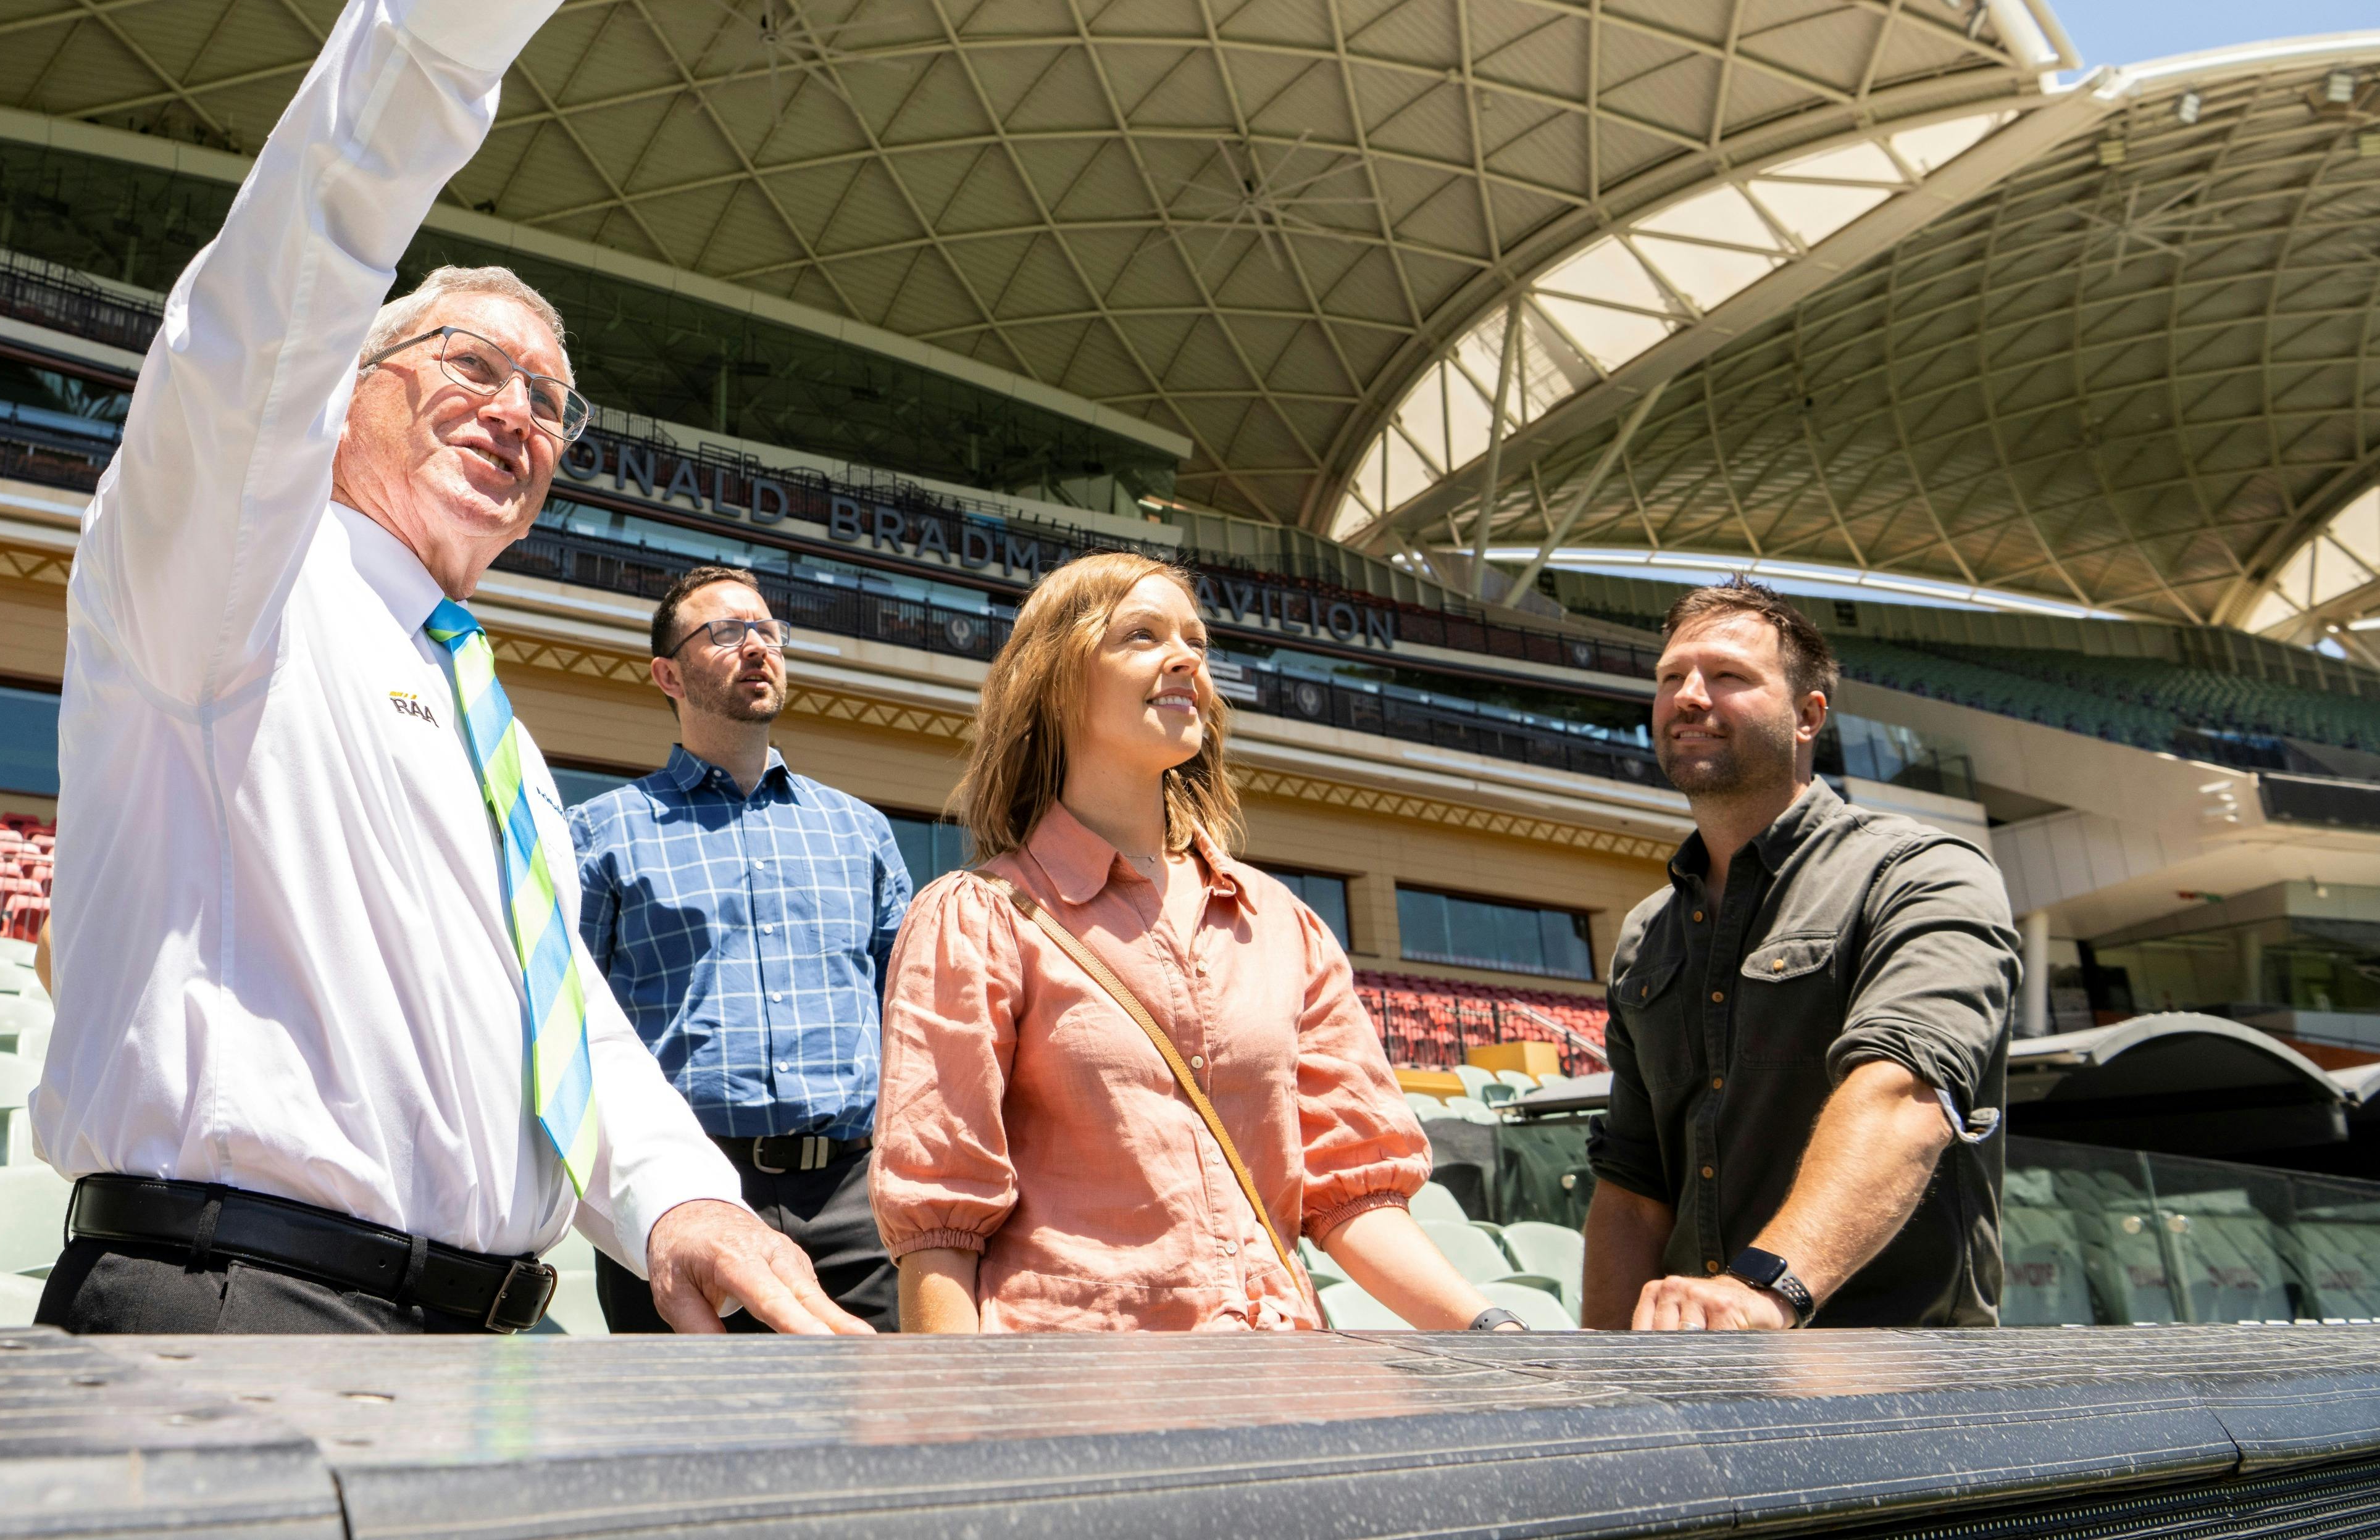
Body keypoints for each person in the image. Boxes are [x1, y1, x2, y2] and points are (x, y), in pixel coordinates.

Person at [30, 0, 866, 1339]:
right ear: (344, 395)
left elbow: (545, 1001)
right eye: (469, 368)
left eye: (552, 399)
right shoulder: (225, 581)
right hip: (232, 1307)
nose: (518, 413)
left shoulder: (474, 711)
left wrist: (680, 1195)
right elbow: (266, 295)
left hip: (495, 1337)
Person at [871, 551, 1512, 1334]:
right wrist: (958, 1430)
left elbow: (1352, 1192)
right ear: (1055, 677)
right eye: (1140, 635)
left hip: (1275, 1383)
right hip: (1079, 1402)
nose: (1187, 659)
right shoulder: (977, 919)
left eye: (1197, 643)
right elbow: (940, 1221)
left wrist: (1490, 1326)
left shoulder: (1280, 923)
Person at [1582, 576, 2019, 1331]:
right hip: (1702, 1378)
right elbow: (1631, 1185)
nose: (1688, 696)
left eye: (1727, 676)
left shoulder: (1920, 872)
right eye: (1669, 678)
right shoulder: (1645, 934)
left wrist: (1766, 1289)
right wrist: (1602, 1381)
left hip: (1898, 1378)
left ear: (1806, 716)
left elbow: (1904, 1094)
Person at [569, 564, 913, 1331]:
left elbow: (910, 1022)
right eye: (724, 632)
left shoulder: (859, 832)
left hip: (855, 1202)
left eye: (766, 630)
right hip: (686, 1189)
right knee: (688, 1435)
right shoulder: (601, 835)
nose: (756, 646)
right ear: (667, 673)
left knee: (874, 1432)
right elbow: (570, 1020)